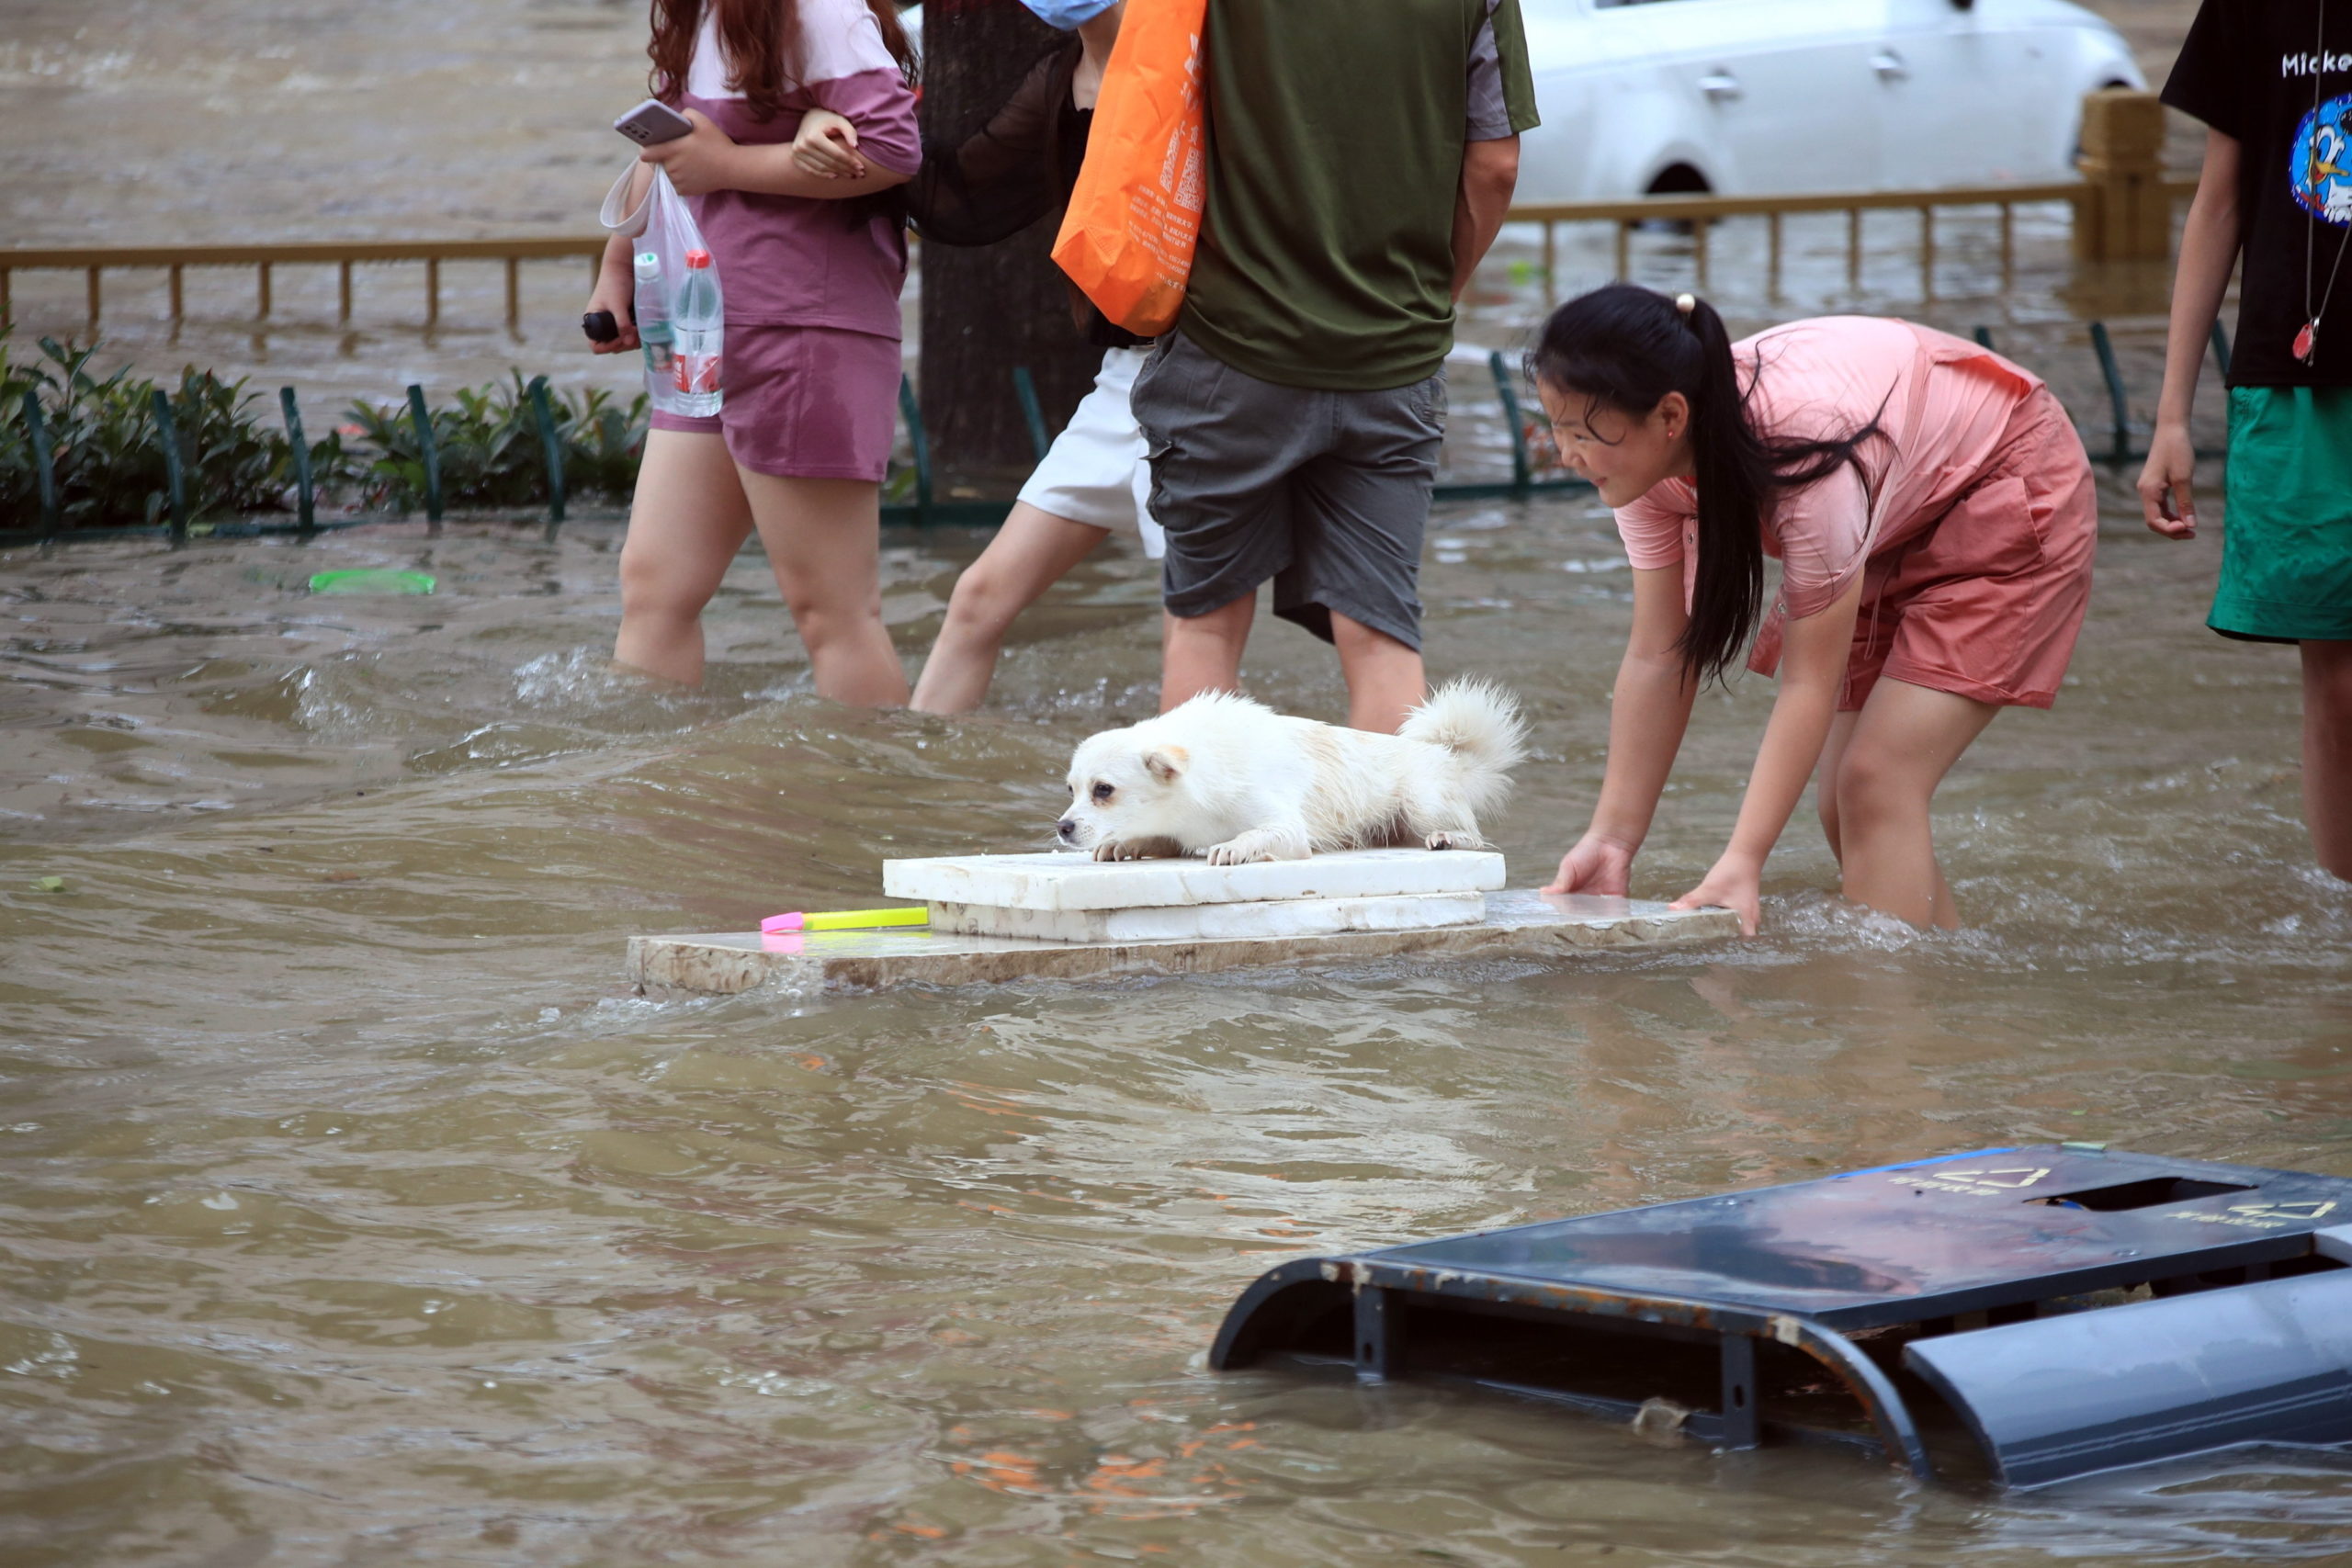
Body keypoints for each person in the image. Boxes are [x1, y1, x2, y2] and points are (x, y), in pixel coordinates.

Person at [1537, 287, 2098, 936]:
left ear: (1670, 415)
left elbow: (1811, 679)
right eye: (1555, 426)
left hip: (2003, 476)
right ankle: (1950, 1008)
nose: (1566, 454)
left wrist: (1743, 860)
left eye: (1581, 432)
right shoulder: (1641, 467)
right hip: (1897, 505)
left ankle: (1898, 1026)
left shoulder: (1809, 457)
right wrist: (1612, 839)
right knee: (1843, 804)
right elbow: (1658, 652)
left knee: (1875, 783)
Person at [1127, 0, 1538, 735]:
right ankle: (1396, 843)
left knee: (1206, 626)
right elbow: (1496, 164)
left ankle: (1191, 845)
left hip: (1230, 341)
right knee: (1380, 632)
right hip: (1395, 355)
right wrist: (1434, 294)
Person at [792, 0, 1168, 716]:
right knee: (978, 600)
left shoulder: (1195, 64)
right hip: (1126, 380)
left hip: (1211, 374)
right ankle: (915, 801)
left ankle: (1241, 811)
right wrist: (836, 128)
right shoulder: (1065, 73)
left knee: (1201, 620)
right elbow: (957, 195)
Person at [586, 0, 919, 704]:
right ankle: (650, 800)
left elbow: (893, 150)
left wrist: (729, 163)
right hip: (706, 329)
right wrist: (616, 268)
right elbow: (667, 154)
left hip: (806, 331)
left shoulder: (822, 13)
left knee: (831, 613)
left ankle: (871, 800)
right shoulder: (698, 16)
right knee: (655, 587)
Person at [2138, 0, 2352, 881]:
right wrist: (2172, 419)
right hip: (2295, 381)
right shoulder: (2249, 8)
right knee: (2337, 683)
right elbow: (2218, 205)